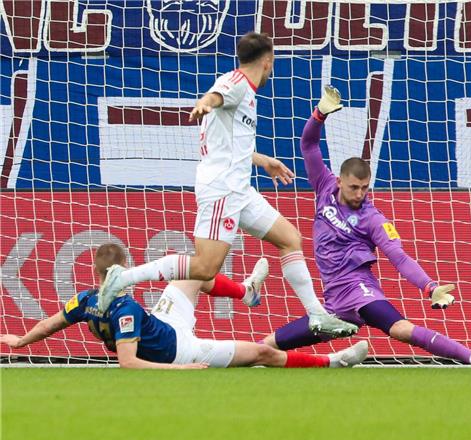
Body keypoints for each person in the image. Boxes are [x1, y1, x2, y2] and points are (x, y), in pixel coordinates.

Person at [96, 32, 356, 338]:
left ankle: (316, 315)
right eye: (272, 62)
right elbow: (216, 95)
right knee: (206, 268)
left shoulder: (243, 92)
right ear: (267, 60)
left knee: (289, 238)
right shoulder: (236, 83)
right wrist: (206, 103)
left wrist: (262, 161)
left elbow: (228, 144)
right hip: (222, 190)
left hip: (239, 188)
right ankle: (123, 278)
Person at [259, 87, 471, 367]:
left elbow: (399, 257)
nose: (360, 193)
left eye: (364, 187)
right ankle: (332, 362)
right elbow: (308, 145)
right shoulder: (324, 186)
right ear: (339, 181)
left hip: (359, 291)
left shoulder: (373, 219)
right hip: (333, 306)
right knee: (266, 348)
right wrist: (320, 114)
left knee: (401, 329)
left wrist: (430, 286)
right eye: (354, 187)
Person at [1, 243, 368, 369]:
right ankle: (333, 361)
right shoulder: (124, 311)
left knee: (193, 271)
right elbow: (128, 363)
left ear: (95, 272)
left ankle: (246, 292)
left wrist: (21, 341)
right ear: (125, 269)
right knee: (261, 353)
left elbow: (50, 324)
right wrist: (185, 369)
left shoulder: (84, 300)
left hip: (162, 319)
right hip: (178, 350)